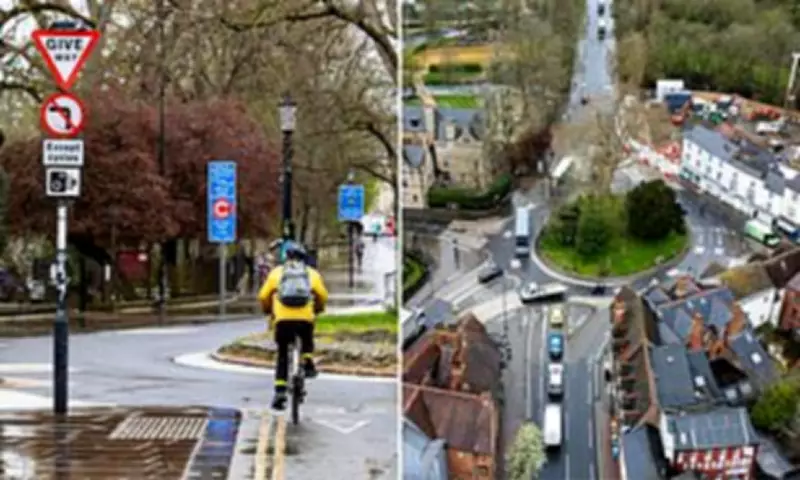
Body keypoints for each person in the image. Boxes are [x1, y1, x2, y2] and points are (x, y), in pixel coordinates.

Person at [257, 241, 329, 411]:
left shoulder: (276, 273)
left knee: (283, 354)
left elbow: (263, 295)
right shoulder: (311, 274)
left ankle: (280, 392)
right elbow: (323, 295)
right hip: (304, 318)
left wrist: (268, 309)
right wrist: (318, 308)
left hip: (282, 319)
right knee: (307, 336)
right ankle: (308, 360)